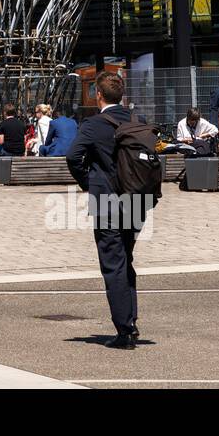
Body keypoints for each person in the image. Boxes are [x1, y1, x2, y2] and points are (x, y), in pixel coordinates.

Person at [64, 71, 146, 350]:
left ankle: (124, 331)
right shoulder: (137, 121)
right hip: (136, 200)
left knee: (113, 264)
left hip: (108, 202)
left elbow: (73, 156)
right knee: (127, 259)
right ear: (121, 95)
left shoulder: (93, 124)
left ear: (98, 95)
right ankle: (131, 321)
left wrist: (88, 182)